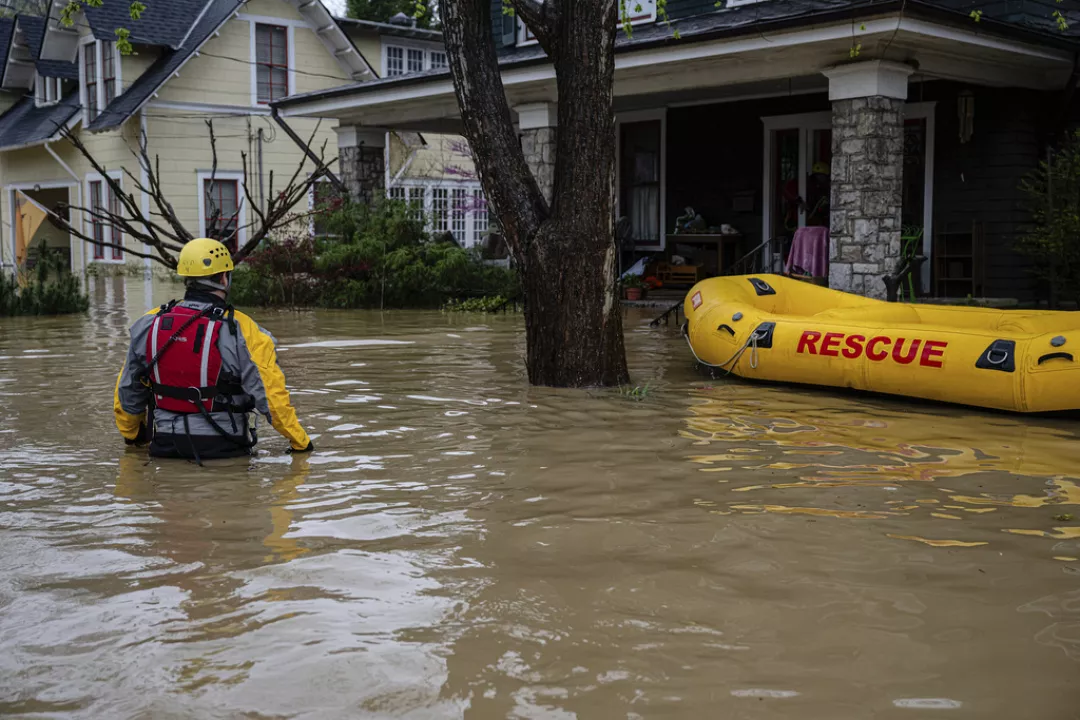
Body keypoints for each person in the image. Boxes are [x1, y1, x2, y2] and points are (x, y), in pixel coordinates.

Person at [114, 238, 313, 461]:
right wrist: (301, 442)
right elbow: (271, 399)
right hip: (224, 450)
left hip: (165, 447)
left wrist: (133, 436)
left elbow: (127, 392)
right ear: (223, 278)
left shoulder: (148, 323)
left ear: (187, 279)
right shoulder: (244, 329)